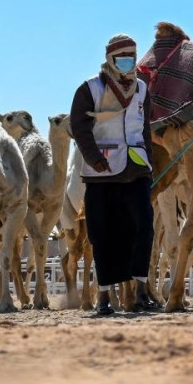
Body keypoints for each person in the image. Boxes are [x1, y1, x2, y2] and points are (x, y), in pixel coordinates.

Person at [70, 34, 158, 315]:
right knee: (102, 234)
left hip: (136, 168)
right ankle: (104, 296)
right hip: (102, 172)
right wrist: (94, 159)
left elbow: (144, 129)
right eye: (121, 57)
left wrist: (149, 164)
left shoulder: (142, 89)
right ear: (110, 58)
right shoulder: (90, 89)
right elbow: (79, 128)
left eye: (131, 56)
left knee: (144, 226)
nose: (127, 62)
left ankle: (141, 287)